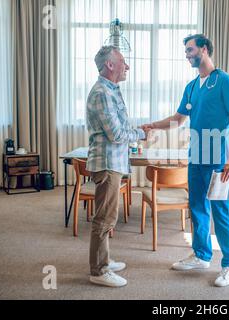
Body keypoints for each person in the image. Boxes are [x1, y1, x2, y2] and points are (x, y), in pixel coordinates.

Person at [141, 34, 229, 287]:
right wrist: (154, 126)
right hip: (195, 156)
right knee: (197, 207)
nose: (186, 54)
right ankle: (201, 255)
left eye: (190, 49)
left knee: (221, 210)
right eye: (186, 50)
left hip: (218, 156)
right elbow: (179, 119)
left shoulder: (224, 81)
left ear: (205, 49)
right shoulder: (191, 86)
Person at [86, 45, 147, 287]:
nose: (127, 66)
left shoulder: (112, 90)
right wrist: (142, 133)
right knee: (104, 218)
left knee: (109, 216)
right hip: (107, 163)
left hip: (114, 162)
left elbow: (120, 128)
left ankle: (105, 260)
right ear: (110, 64)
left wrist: (137, 133)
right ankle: (99, 271)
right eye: (123, 61)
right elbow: (117, 133)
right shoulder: (102, 92)